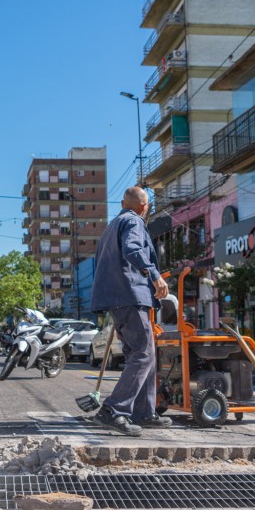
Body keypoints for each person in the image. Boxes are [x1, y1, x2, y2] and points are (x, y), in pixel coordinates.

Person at [89, 186, 170, 436]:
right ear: (145, 207)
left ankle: (143, 412)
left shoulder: (111, 226)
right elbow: (133, 249)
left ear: (123, 204)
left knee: (143, 352)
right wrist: (154, 275)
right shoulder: (134, 222)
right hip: (130, 296)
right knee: (144, 352)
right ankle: (113, 409)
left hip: (117, 298)